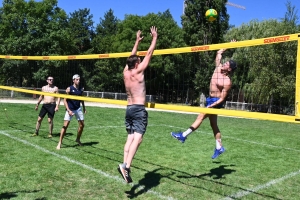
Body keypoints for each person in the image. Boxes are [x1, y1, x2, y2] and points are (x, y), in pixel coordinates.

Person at [171, 41, 237, 159]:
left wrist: (213, 105)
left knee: (200, 117)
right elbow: (219, 52)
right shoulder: (218, 67)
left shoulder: (227, 81)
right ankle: (219, 147)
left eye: (227, 63)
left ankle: (183, 136)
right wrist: (229, 46)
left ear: (230, 69)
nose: (224, 63)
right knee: (213, 125)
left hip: (215, 102)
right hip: (209, 99)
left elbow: (222, 98)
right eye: (225, 62)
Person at [118, 26, 158, 183]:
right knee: (138, 138)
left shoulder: (125, 72)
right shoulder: (138, 71)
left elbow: (130, 57)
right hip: (139, 109)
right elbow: (149, 53)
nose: (140, 61)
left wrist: (137, 41)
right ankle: (126, 167)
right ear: (136, 64)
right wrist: (154, 38)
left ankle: (124, 165)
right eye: (138, 61)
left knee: (130, 137)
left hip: (129, 108)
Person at [56, 74, 86, 150]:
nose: (78, 81)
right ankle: (60, 142)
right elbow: (65, 100)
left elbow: (82, 99)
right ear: (73, 80)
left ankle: (78, 139)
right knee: (65, 126)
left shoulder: (81, 89)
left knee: (82, 125)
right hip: (70, 109)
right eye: (77, 79)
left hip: (78, 109)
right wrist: (68, 110)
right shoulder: (69, 89)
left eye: (79, 79)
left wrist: (84, 108)